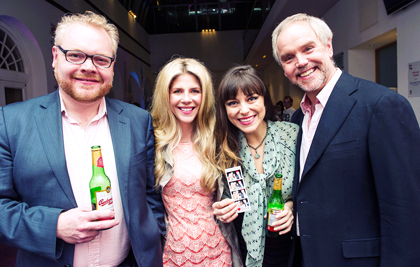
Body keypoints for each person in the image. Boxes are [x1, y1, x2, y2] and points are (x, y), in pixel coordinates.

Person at [0, 11, 165, 267]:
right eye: (75, 55)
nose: (88, 67)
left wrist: (156, 239)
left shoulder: (137, 120)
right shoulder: (11, 123)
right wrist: (53, 226)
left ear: (112, 65)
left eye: (101, 59)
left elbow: (149, 196)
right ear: (55, 57)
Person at [272, 13, 420, 267]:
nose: (301, 62)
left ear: (328, 46)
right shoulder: (297, 119)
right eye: (288, 58)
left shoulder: (381, 105)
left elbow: (405, 211)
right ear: (284, 70)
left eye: (308, 48)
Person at [150, 57, 242, 267]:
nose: (187, 99)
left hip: (217, 252)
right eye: (177, 91)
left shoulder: (218, 138)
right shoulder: (152, 141)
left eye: (194, 91)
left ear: (204, 95)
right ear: (166, 96)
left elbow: (239, 190)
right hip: (172, 255)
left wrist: (233, 205)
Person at [213, 65, 298, 267]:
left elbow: (310, 188)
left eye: (251, 98)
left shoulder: (291, 134)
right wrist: (223, 207)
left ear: (264, 100)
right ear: (224, 109)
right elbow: (224, 196)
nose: (244, 110)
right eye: (233, 102)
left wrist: (291, 207)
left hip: (289, 248)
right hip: (244, 250)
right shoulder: (224, 147)